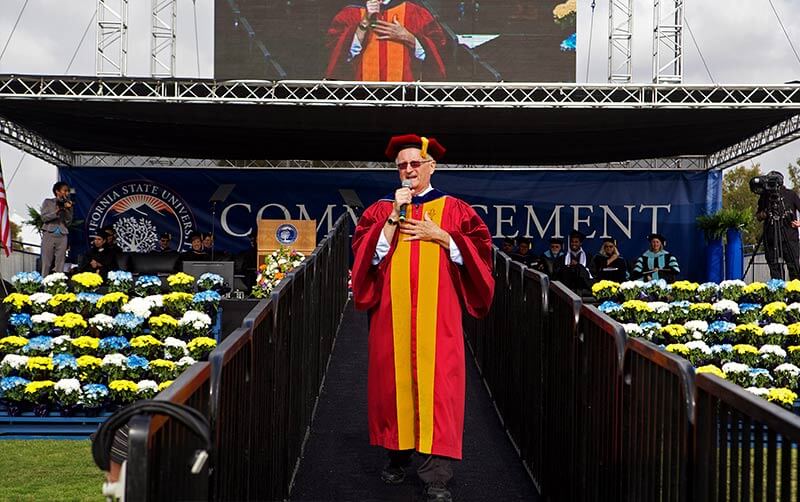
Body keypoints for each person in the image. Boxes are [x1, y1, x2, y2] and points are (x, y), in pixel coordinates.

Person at [351, 134, 494, 502]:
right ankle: (397, 457)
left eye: (416, 163)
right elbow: (366, 259)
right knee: (393, 387)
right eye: (402, 165)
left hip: (438, 320)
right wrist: (392, 221)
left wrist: (444, 237)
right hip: (391, 319)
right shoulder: (381, 210)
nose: (409, 170)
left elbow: (480, 253)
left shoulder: (455, 210)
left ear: (431, 166)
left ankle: (437, 477)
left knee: (440, 391)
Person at [325, 0, 447, 82]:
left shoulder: (416, 12)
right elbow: (337, 57)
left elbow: (438, 53)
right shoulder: (349, 14)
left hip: (405, 97)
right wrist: (363, 24)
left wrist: (409, 38)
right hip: (361, 97)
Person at [756, 171, 800, 279]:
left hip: (789, 238)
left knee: (794, 268)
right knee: (775, 269)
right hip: (771, 239)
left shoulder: (790, 194)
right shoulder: (765, 196)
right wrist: (765, 213)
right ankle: (778, 292)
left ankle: (796, 293)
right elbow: (758, 216)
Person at [40, 182, 74, 277]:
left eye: (68, 191)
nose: (67, 193)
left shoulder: (68, 204)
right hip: (49, 233)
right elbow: (44, 218)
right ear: (57, 191)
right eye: (64, 190)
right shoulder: (48, 202)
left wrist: (68, 209)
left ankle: (58, 283)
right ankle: (44, 283)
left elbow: (68, 222)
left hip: (62, 235)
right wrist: (57, 211)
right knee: (47, 261)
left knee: (60, 262)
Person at [553, 230, 593, 295]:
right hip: (567, 288)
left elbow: (590, 274)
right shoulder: (562, 258)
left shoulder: (589, 258)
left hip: (582, 288)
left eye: (576, 242)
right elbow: (557, 274)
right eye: (572, 242)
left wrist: (578, 265)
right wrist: (567, 267)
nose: (574, 244)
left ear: (580, 243)